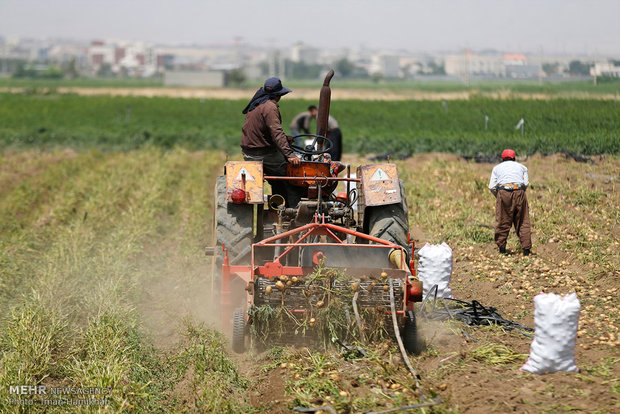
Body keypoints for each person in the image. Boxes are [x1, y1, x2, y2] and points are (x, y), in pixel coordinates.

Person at [241, 77, 300, 205]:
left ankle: (276, 203)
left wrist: (286, 139)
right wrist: (290, 155)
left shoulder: (257, 104)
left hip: (249, 153)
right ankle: (295, 213)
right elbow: (276, 132)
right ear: (279, 95)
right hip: (265, 154)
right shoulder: (270, 107)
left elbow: (265, 131)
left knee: (278, 180)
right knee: (294, 178)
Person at [488, 149, 531, 255]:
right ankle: (526, 250)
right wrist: (519, 193)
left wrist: (499, 197)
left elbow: (492, 186)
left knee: (503, 220)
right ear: (514, 158)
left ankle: (502, 248)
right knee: (522, 221)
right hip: (519, 191)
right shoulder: (522, 167)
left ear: (502, 159)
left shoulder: (497, 168)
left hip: (504, 192)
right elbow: (525, 183)